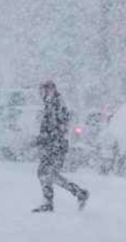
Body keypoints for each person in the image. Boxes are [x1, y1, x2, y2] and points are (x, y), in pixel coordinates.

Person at [32, 80, 89, 212]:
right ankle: (78, 194)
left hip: (55, 146)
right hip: (52, 146)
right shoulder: (51, 103)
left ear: (50, 90)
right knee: (48, 174)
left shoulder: (55, 104)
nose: (41, 94)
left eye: (43, 90)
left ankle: (50, 201)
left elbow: (55, 129)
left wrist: (39, 139)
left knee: (46, 173)